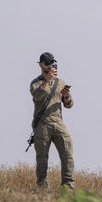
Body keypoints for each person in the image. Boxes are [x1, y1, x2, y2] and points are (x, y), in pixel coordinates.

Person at [29, 52, 75, 189]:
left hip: (58, 123)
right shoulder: (36, 83)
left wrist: (66, 97)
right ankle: (43, 188)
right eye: (47, 63)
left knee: (67, 154)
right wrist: (46, 81)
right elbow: (37, 96)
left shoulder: (60, 82)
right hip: (42, 125)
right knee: (42, 158)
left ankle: (68, 188)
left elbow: (69, 105)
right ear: (41, 65)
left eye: (51, 63)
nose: (50, 66)